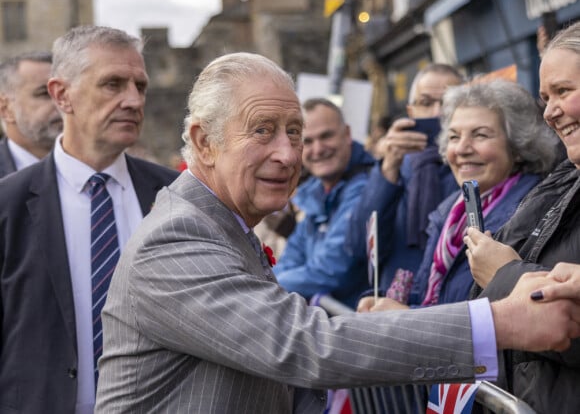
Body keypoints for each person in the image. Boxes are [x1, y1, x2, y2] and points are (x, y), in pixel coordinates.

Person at [94, 51, 580, 414]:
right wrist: (498, 322)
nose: (288, 154)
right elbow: (304, 345)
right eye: (262, 130)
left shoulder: (221, 224)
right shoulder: (178, 238)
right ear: (204, 141)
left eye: (294, 131)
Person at [0, 26, 179, 413]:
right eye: (112, 84)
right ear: (61, 95)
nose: (132, 100)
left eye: (140, 86)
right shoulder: (9, 205)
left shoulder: (177, 197)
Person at [358, 79, 559, 311]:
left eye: (480, 135)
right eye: (454, 137)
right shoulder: (450, 210)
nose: (462, 149)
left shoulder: (532, 213)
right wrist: (381, 299)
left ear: (518, 148)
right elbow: (431, 293)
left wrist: (406, 316)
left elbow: (492, 316)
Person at [464, 21, 580, 414]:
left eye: (564, 91)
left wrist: (506, 275)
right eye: (545, 97)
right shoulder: (564, 179)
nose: (551, 112)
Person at [350, 63, 464, 293]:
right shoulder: (398, 164)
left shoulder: (473, 165)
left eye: (448, 103)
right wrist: (388, 168)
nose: (437, 113)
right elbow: (360, 246)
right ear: (411, 112)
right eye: (425, 103)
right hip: (396, 300)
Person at [273, 97, 376, 307]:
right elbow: (292, 256)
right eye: (308, 141)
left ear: (347, 134)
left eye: (326, 136)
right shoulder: (314, 194)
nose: (318, 149)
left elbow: (331, 269)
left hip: (355, 326)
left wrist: (264, 287)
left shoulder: (368, 188)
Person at [0, 51, 63, 177]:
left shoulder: (103, 164)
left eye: (64, 92)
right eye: (44, 93)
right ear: (6, 109)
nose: (62, 103)